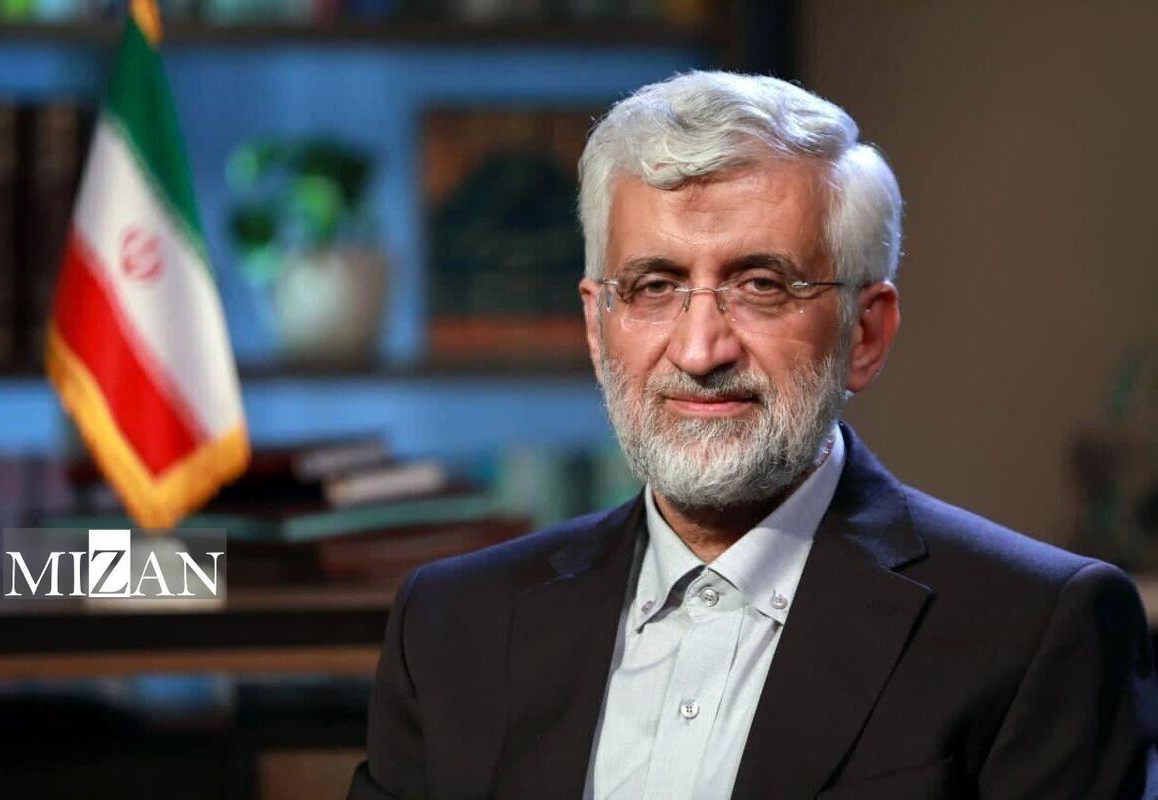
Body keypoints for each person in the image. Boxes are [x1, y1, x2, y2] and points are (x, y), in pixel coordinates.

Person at [349, 71, 1158, 799]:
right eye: (655, 286)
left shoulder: (1037, 630)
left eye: (762, 285)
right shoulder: (451, 625)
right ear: (597, 327)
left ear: (865, 333)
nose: (701, 350)